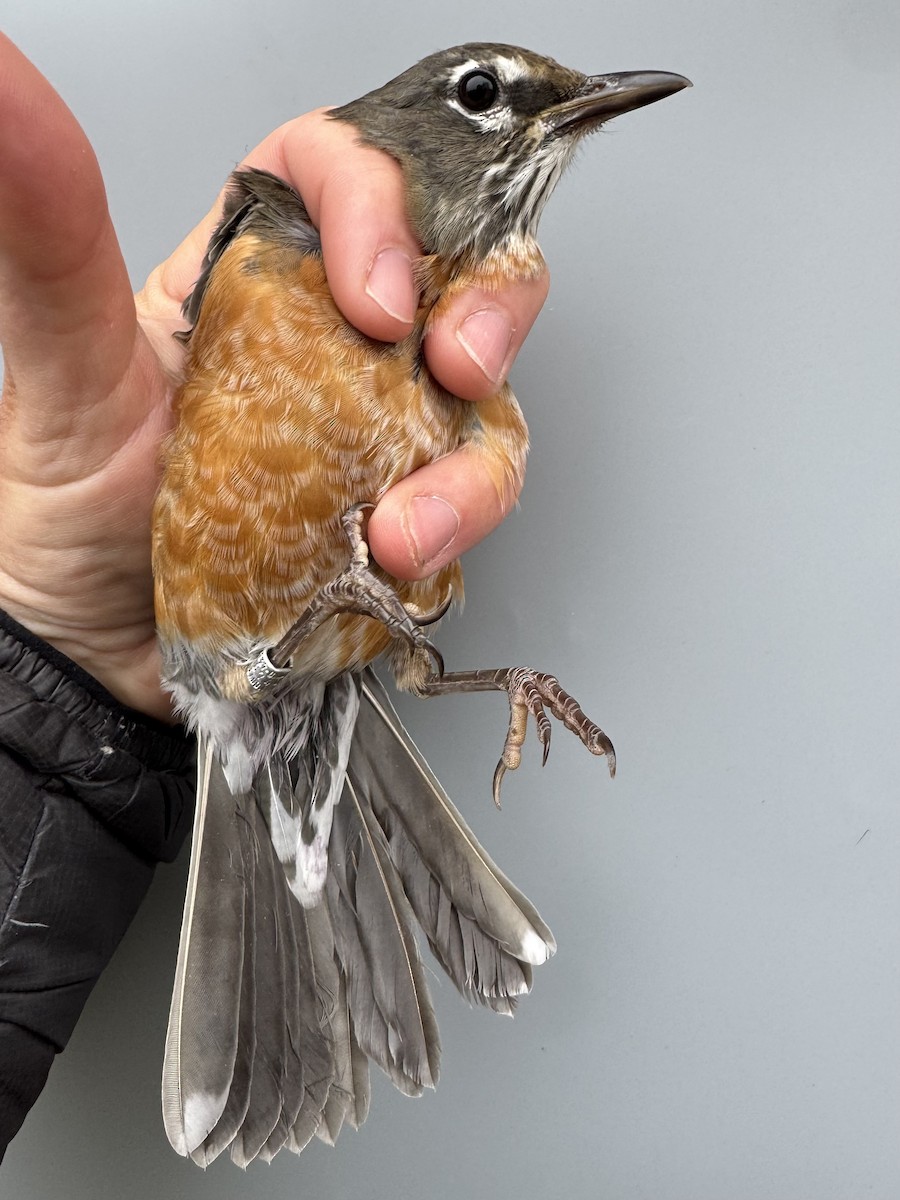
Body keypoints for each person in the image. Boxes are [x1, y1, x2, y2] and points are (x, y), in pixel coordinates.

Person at [0, 32, 549, 1155]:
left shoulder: (452, 286)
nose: (534, 123)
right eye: (488, 99)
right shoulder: (268, 236)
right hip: (223, 650)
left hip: (258, 668)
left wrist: (51, 679)